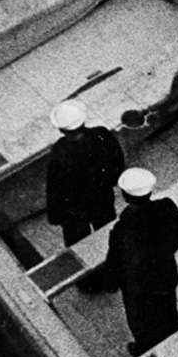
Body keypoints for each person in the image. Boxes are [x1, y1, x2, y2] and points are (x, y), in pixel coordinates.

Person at [76, 167, 178, 357]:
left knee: (140, 319)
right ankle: (176, 338)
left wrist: (110, 283)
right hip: (165, 272)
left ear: (125, 196)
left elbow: (116, 262)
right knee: (167, 307)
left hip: (139, 285)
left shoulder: (124, 229)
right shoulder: (167, 207)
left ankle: (143, 347)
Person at [46, 99, 125, 247]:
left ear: (61, 130)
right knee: (109, 235)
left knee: (82, 246)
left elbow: (54, 186)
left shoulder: (59, 150)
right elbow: (117, 163)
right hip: (103, 197)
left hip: (76, 208)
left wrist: (57, 215)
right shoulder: (102, 134)